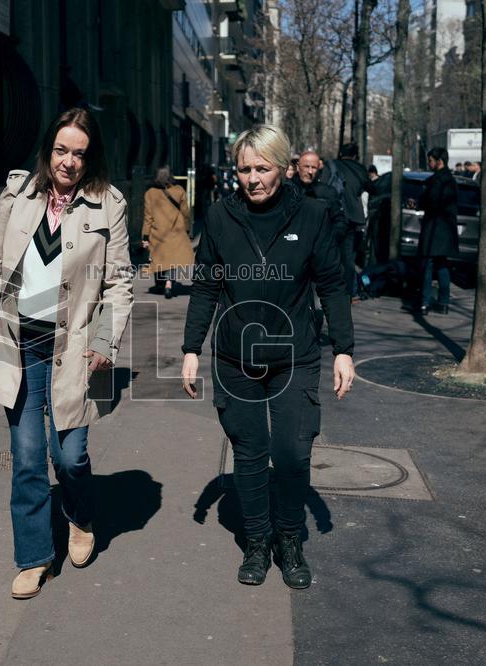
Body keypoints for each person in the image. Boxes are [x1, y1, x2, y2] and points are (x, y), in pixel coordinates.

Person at [0, 108, 134, 600]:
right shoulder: (18, 194)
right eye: (61, 150)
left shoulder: (108, 204)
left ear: (89, 157)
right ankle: (35, 557)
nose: (69, 161)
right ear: (48, 150)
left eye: (79, 153)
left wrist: (105, 340)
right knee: (29, 456)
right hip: (19, 342)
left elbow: (120, 282)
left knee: (71, 455)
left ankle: (80, 514)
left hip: (73, 347)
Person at [180, 125, 355, 590]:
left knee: (293, 454)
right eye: (244, 169)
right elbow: (205, 285)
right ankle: (257, 541)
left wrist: (344, 350)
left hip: (294, 354)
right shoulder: (220, 216)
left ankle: (289, 539)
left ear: (283, 167)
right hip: (237, 357)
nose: (252, 178)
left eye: (262, 168)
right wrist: (190, 348)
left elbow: (332, 285)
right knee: (251, 454)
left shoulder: (312, 215)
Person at [326, 143, 374, 301]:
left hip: (332, 215)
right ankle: (347, 292)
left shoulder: (332, 165)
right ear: (355, 155)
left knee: (329, 253)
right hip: (352, 217)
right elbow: (370, 186)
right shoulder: (359, 169)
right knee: (348, 257)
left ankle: (329, 287)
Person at [416, 147, 459, 316]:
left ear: (439, 161)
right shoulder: (451, 180)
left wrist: (420, 202)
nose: (429, 163)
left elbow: (431, 203)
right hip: (446, 230)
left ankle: (425, 302)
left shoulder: (436, 181)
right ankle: (443, 302)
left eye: (431, 160)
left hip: (434, 228)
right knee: (442, 265)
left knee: (427, 265)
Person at [142, 165, 193, 298]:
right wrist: (187, 230)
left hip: (157, 231)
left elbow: (148, 217)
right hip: (176, 230)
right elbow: (186, 213)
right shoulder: (179, 190)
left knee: (159, 258)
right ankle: (169, 284)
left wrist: (145, 236)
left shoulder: (150, 193)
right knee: (172, 258)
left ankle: (160, 283)